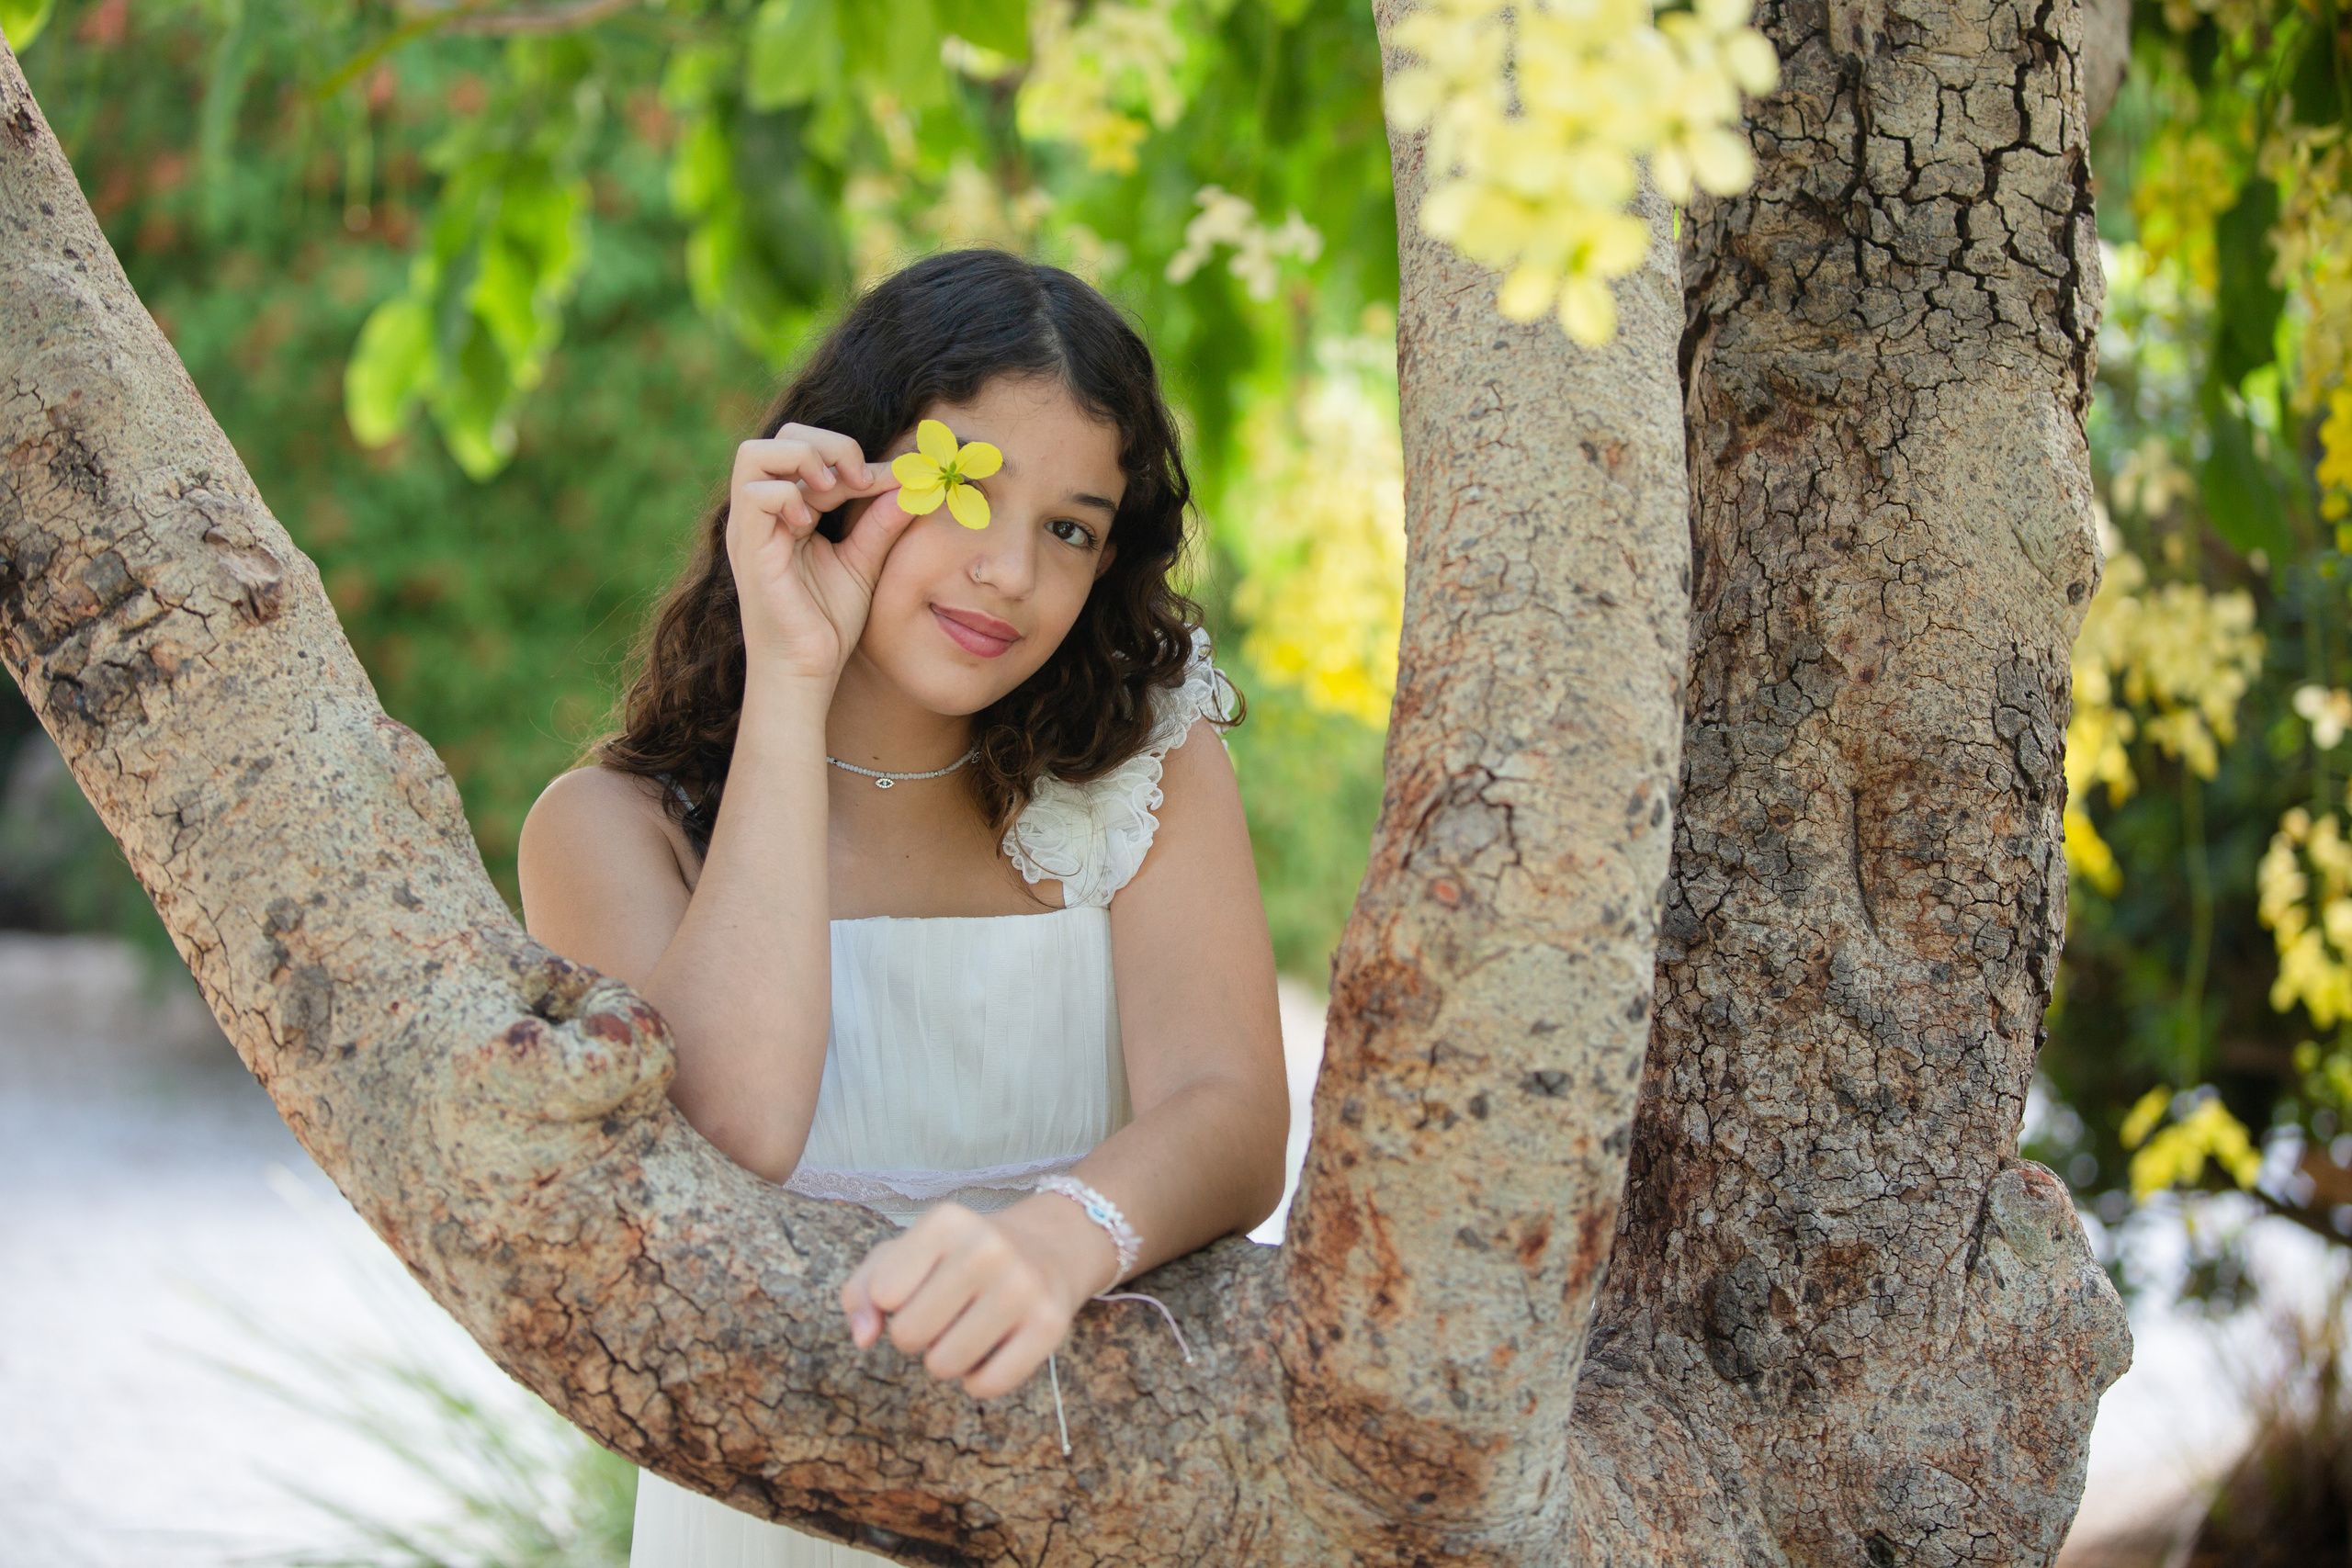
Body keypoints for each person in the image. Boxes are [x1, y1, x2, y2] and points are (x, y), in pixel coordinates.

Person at [514, 248, 1290, 1566]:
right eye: (966, 486)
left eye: (1072, 530)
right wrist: (791, 676)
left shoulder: (1144, 765)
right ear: (838, 478)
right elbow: (734, 1128)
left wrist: (1065, 1239)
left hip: (1089, 1494)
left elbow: (1235, 1114)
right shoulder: (608, 832)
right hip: (768, 1524)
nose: (1009, 574)